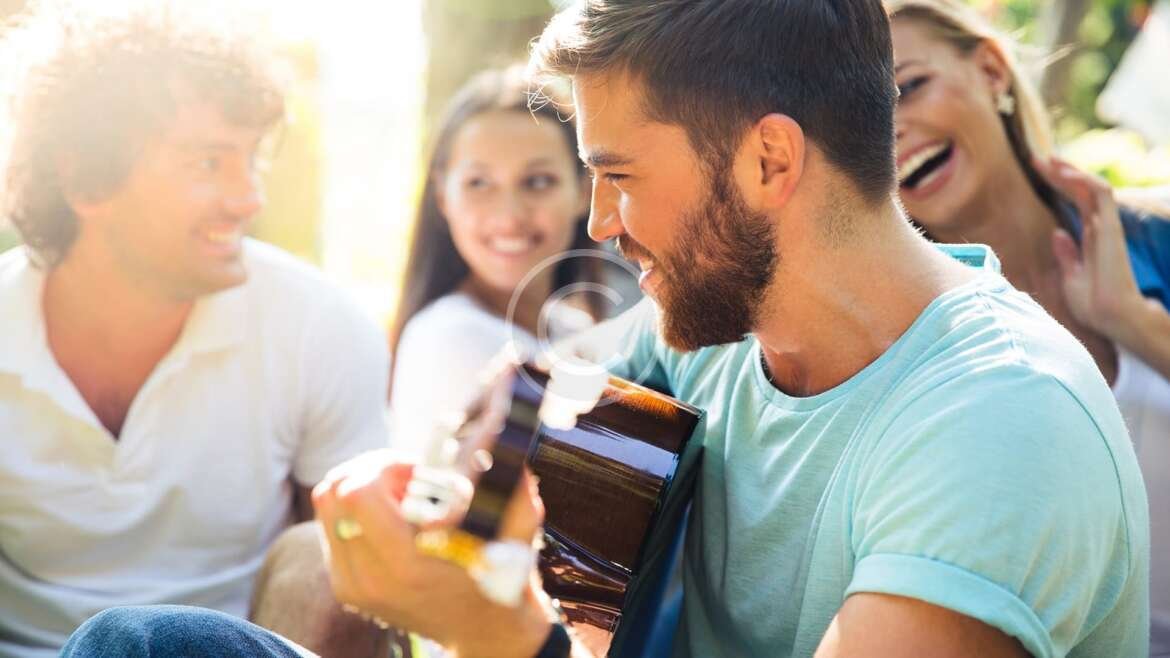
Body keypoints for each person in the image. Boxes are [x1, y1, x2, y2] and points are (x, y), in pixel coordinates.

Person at [58, 1, 1151, 657]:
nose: (598, 224)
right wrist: (459, 495)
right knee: (144, 645)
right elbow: (532, 441)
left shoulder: (999, 421)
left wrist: (503, 637)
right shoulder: (705, 336)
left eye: (619, 174)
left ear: (770, 160)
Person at [0, 2, 389, 656]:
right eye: (209, 163)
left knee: (330, 546)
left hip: (231, 650)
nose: (248, 199)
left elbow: (371, 587)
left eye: (250, 159)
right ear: (84, 177)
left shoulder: (318, 327)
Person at [885, 1, 1170, 653]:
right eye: (865, 121)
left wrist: (1133, 323)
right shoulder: (906, 345)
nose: (892, 130)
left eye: (910, 87)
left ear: (991, 70)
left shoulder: (1156, 237)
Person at [388, 66, 601, 463]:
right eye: (479, 183)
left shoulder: (573, 329)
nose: (508, 216)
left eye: (538, 181)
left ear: (584, 191)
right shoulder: (452, 335)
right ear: (443, 196)